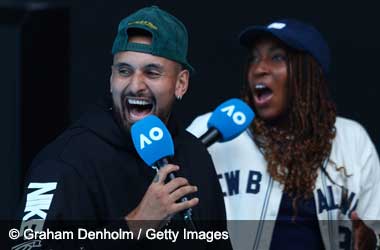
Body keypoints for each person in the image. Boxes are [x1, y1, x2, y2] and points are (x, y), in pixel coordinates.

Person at [13, 6, 232, 250]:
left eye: (152, 72)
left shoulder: (195, 155)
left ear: (181, 84)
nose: (135, 85)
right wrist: (134, 226)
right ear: (111, 79)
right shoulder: (64, 161)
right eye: (124, 71)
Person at [187, 19, 380, 250]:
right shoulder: (211, 130)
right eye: (254, 58)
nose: (259, 69)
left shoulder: (352, 140)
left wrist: (373, 242)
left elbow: (375, 229)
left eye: (277, 57)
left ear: (309, 74)